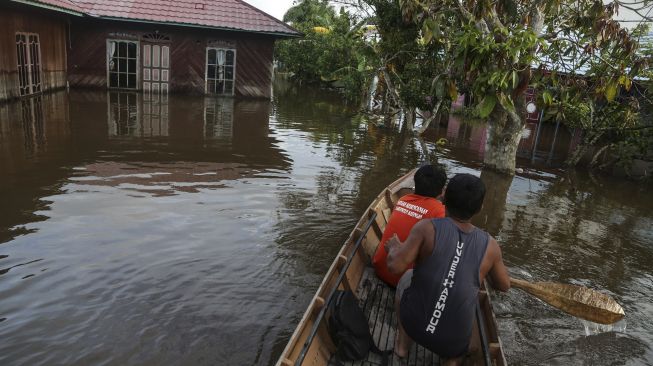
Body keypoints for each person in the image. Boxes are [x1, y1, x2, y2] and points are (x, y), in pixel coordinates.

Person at [385, 173, 511, 364]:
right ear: (480, 208)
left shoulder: (425, 228)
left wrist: (394, 246)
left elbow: (394, 266)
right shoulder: (491, 246)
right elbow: (504, 285)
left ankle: (402, 347)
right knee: (467, 329)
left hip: (414, 326)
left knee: (406, 277)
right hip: (454, 344)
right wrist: (491, 268)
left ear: (443, 197)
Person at [372, 164, 447, 287]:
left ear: (416, 184)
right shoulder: (440, 211)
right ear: (441, 191)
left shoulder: (403, 199)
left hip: (380, 269)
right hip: (404, 280)